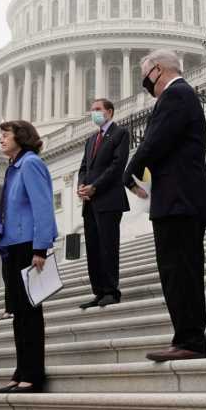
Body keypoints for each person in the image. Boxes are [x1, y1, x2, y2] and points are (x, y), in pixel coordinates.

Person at [124, 50, 206, 362]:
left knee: (180, 271)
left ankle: (190, 339)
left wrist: (130, 169)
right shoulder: (180, 96)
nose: (144, 82)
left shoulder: (176, 95)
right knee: (177, 271)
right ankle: (187, 335)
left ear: (157, 70)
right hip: (178, 199)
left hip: (180, 201)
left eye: (146, 74)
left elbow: (154, 141)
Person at [0, 121, 58, 393]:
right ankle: (21, 370)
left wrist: (40, 248)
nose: (1, 140)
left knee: (30, 313)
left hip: (28, 245)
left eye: (5, 135)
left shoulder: (30, 164)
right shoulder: (13, 167)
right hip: (12, 245)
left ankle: (33, 373)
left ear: (21, 137)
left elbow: (43, 205)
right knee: (18, 313)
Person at [77, 98, 131, 310]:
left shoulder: (120, 134)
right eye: (92, 110)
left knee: (108, 247)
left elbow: (117, 166)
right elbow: (84, 167)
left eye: (97, 109)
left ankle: (111, 290)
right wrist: (81, 185)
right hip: (90, 202)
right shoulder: (91, 140)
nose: (94, 113)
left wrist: (95, 187)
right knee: (93, 249)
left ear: (109, 112)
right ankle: (98, 291)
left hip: (108, 199)